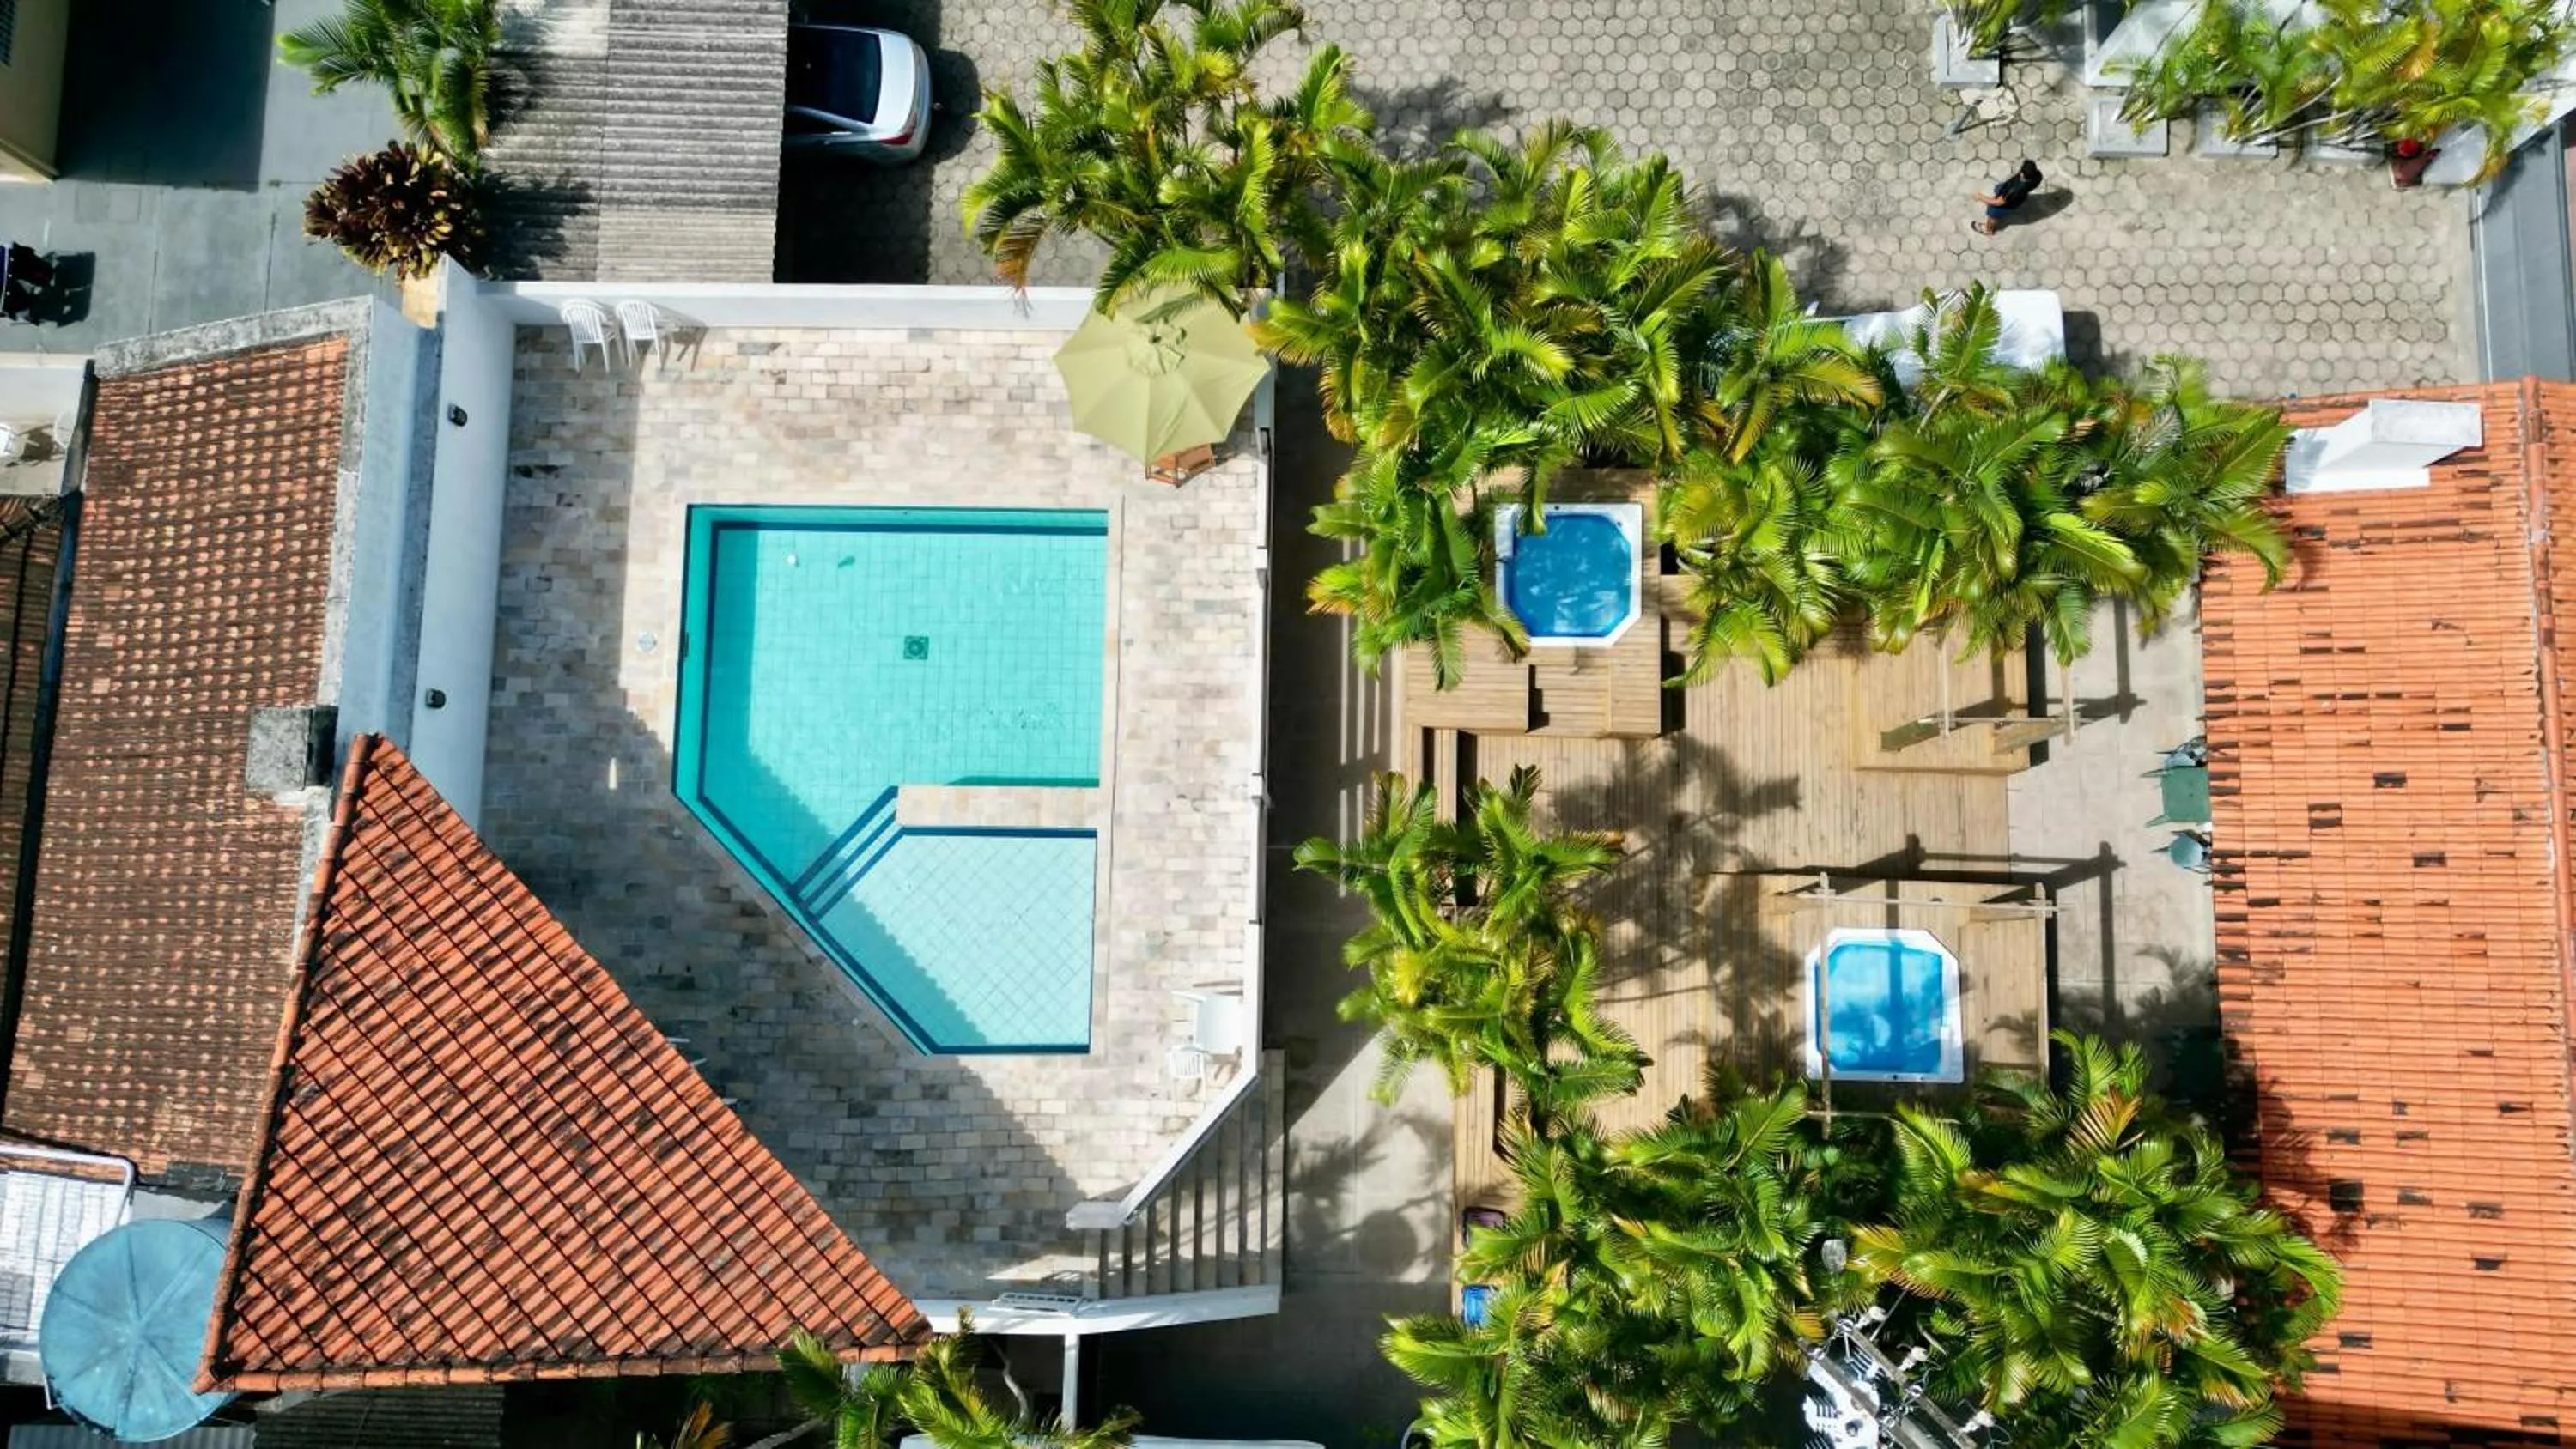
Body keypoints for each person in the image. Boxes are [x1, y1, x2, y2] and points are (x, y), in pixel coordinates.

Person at [1971, 159, 2044, 236]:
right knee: (1997, 189)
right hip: (2018, 197)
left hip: (2008, 203)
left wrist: (1980, 197)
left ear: (2023, 174)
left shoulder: (2014, 190)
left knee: (1992, 213)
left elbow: (1999, 202)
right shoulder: (2038, 176)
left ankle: (1988, 229)